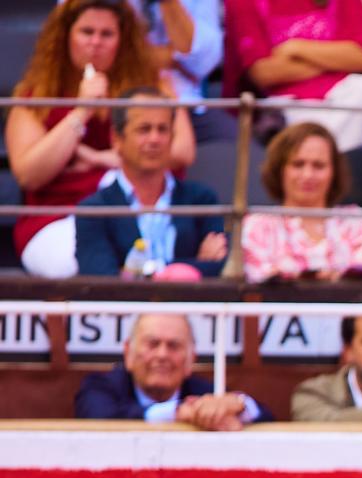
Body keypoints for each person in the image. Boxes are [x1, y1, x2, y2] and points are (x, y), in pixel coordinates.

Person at [6, 0, 195, 278]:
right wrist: (81, 112)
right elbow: (30, 174)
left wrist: (102, 158)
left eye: (107, 34)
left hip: (142, 214)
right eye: (86, 32)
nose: (96, 42)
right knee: (85, 262)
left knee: (158, 259)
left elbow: (182, 151)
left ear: (122, 40)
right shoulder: (34, 98)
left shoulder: (154, 87)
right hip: (58, 220)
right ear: (65, 36)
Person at [76, 87, 227, 277]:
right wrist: (190, 267)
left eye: (162, 129)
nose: (155, 139)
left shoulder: (201, 199)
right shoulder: (94, 210)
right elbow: (100, 280)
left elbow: (220, 268)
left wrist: (131, 273)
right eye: (144, 129)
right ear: (116, 139)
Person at [223, 0, 362, 151]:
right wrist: (334, 60)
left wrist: (295, 48)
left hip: (344, 94)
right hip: (284, 105)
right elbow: (263, 73)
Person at [242, 122, 362, 283]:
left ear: (334, 171)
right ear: (279, 170)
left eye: (319, 166)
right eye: (298, 164)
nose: (308, 175)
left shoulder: (358, 222)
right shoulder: (258, 226)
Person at [75, 312, 267, 429]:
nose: (162, 355)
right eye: (152, 344)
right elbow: (100, 419)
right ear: (128, 353)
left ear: (191, 359)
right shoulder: (99, 386)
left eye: (174, 346)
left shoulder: (202, 392)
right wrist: (177, 413)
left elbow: (268, 420)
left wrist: (239, 404)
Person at [128, 0, 229, 142]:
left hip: (187, 106)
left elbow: (202, 63)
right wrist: (175, 58)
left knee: (235, 150)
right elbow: (112, 57)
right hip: (118, 101)